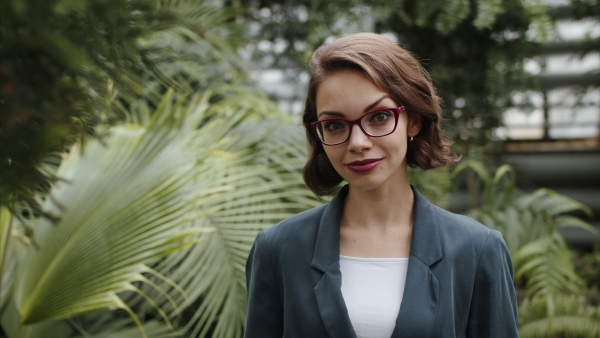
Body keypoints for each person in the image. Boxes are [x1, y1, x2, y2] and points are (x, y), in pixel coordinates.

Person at [244, 32, 518, 338]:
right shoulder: (278, 250)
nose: (358, 143)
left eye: (379, 117)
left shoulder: (477, 251)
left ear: (412, 120)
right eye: (334, 125)